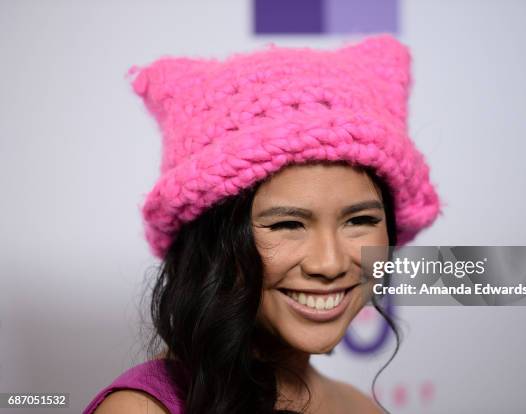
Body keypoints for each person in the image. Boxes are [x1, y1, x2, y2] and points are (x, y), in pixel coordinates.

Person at [84, 34, 441, 414]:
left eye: (360, 220)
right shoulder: (142, 409)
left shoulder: (362, 408)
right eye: (288, 225)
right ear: (213, 239)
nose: (330, 263)